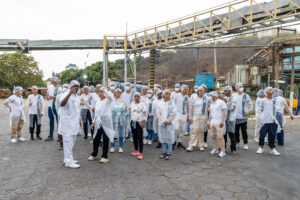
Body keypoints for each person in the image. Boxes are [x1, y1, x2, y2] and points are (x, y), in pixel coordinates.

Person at [58, 80, 81, 168]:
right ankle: (68, 162)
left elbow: (77, 110)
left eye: (77, 86)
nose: (76, 87)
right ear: (70, 86)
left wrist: (79, 121)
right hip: (67, 124)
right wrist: (69, 94)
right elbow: (62, 104)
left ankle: (68, 158)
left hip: (74, 123)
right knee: (67, 142)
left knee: (72, 142)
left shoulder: (76, 96)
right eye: (74, 86)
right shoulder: (65, 94)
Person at [88, 88, 115, 163]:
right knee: (96, 138)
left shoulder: (108, 100)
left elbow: (111, 97)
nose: (100, 93)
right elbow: (97, 113)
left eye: (101, 92)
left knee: (106, 139)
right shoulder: (98, 101)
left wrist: (105, 91)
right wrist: (93, 122)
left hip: (106, 122)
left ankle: (104, 156)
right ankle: (94, 154)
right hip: (98, 122)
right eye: (99, 92)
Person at [256, 87, 281, 156]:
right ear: (266, 92)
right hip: (264, 121)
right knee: (262, 134)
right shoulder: (263, 100)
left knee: (272, 135)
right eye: (270, 90)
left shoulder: (275, 100)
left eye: (272, 90)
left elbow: (277, 109)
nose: (272, 91)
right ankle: (261, 147)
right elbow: (260, 109)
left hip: (273, 121)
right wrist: (262, 117)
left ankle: (272, 149)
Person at [186, 87, 209, 152]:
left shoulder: (206, 99)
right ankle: (191, 145)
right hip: (195, 115)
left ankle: (200, 145)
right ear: (198, 92)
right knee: (194, 130)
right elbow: (191, 108)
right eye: (200, 91)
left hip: (203, 116)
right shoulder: (194, 98)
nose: (202, 92)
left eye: (203, 91)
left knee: (201, 131)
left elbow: (210, 105)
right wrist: (190, 117)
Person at [156, 89, 177, 160]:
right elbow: (158, 113)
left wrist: (167, 121)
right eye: (166, 94)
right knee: (163, 138)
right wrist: (162, 121)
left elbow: (174, 114)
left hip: (169, 123)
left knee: (170, 138)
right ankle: (164, 151)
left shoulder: (172, 103)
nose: (167, 95)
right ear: (164, 94)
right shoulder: (160, 103)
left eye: (169, 94)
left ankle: (169, 152)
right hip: (161, 123)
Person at [233, 82, 252, 150]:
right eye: (240, 87)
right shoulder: (233, 95)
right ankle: (237, 142)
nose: (241, 88)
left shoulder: (246, 95)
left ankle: (245, 143)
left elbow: (249, 103)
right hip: (235, 116)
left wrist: (247, 111)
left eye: (242, 86)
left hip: (243, 116)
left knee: (244, 130)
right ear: (236, 88)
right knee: (236, 131)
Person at [208, 91, 227, 158]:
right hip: (213, 121)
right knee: (213, 136)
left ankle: (223, 151)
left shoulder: (221, 102)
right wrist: (209, 122)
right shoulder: (212, 103)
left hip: (219, 121)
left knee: (220, 136)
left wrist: (222, 121)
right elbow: (210, 113)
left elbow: (224, 112)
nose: (210, 97)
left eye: (211, 95)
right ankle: (215, 148)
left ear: (214, 95)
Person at [130, 92, 147, 160]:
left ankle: (140, 152)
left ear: (139, 97)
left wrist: (143, 122)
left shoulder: (142, 104)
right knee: (134, 136)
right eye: (135, 96)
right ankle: (136, 150)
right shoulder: (132, 103)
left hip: (139, 122)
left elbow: (145, 114)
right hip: (133, 121)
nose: (136, 97)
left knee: (140, 137)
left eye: (137, 96)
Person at [45, 76, 62, 142]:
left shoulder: (60, 89)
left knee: (58, 122)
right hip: (50, 106)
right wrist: (46, 96)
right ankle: (51, 136)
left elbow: (61, 98)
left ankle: (59, 136)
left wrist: (54, 97)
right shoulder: (50, 88)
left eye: (51, 80)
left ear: (54, 81)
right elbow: (48, 98)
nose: (50, 81)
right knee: (51, 121)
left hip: (57, 107)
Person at [173, 85, 189, 149]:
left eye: (186, 89)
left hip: (184, 115)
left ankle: (179, 142)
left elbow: (188, 107)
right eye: (185, 89)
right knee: (176, 128)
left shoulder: (187, 97)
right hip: (177, 114)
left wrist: (188, 115)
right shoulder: (176, 95)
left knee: (182, 129)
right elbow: (173, 105)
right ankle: (173, 142)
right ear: (181, 89)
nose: (186, 90)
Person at [110, 88, 127, 153]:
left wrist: (122, 114)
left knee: (121, 132)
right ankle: (112, 146)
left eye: (119, 92)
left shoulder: (123, 101)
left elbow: (126, 109)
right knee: (112, 132)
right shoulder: (112, 100)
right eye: (117, 92)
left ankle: (120, 147)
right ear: (115, 93)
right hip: (113, 119)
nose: (118, 93)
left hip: (121, 119)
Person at [223, 86, 238, 154]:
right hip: (224, 118)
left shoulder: (234, 98)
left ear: (229, 91)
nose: (224, 92)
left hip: (231, 119)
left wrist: (226, 103)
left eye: (225, 90)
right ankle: (223, 148)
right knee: (224, 134)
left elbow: (233, 109)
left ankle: (233, 149)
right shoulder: (225, 98)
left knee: (231, 134)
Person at [200, 84, 211, 148]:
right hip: (198, 114)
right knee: (198, 128)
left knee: (205, 128)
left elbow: (211, 104)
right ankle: (199, 141)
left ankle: (205, 141)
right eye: (201, 89)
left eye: (204, 89)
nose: (202, 90)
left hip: (205, 114)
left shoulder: (208, 96)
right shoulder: (197, 96)